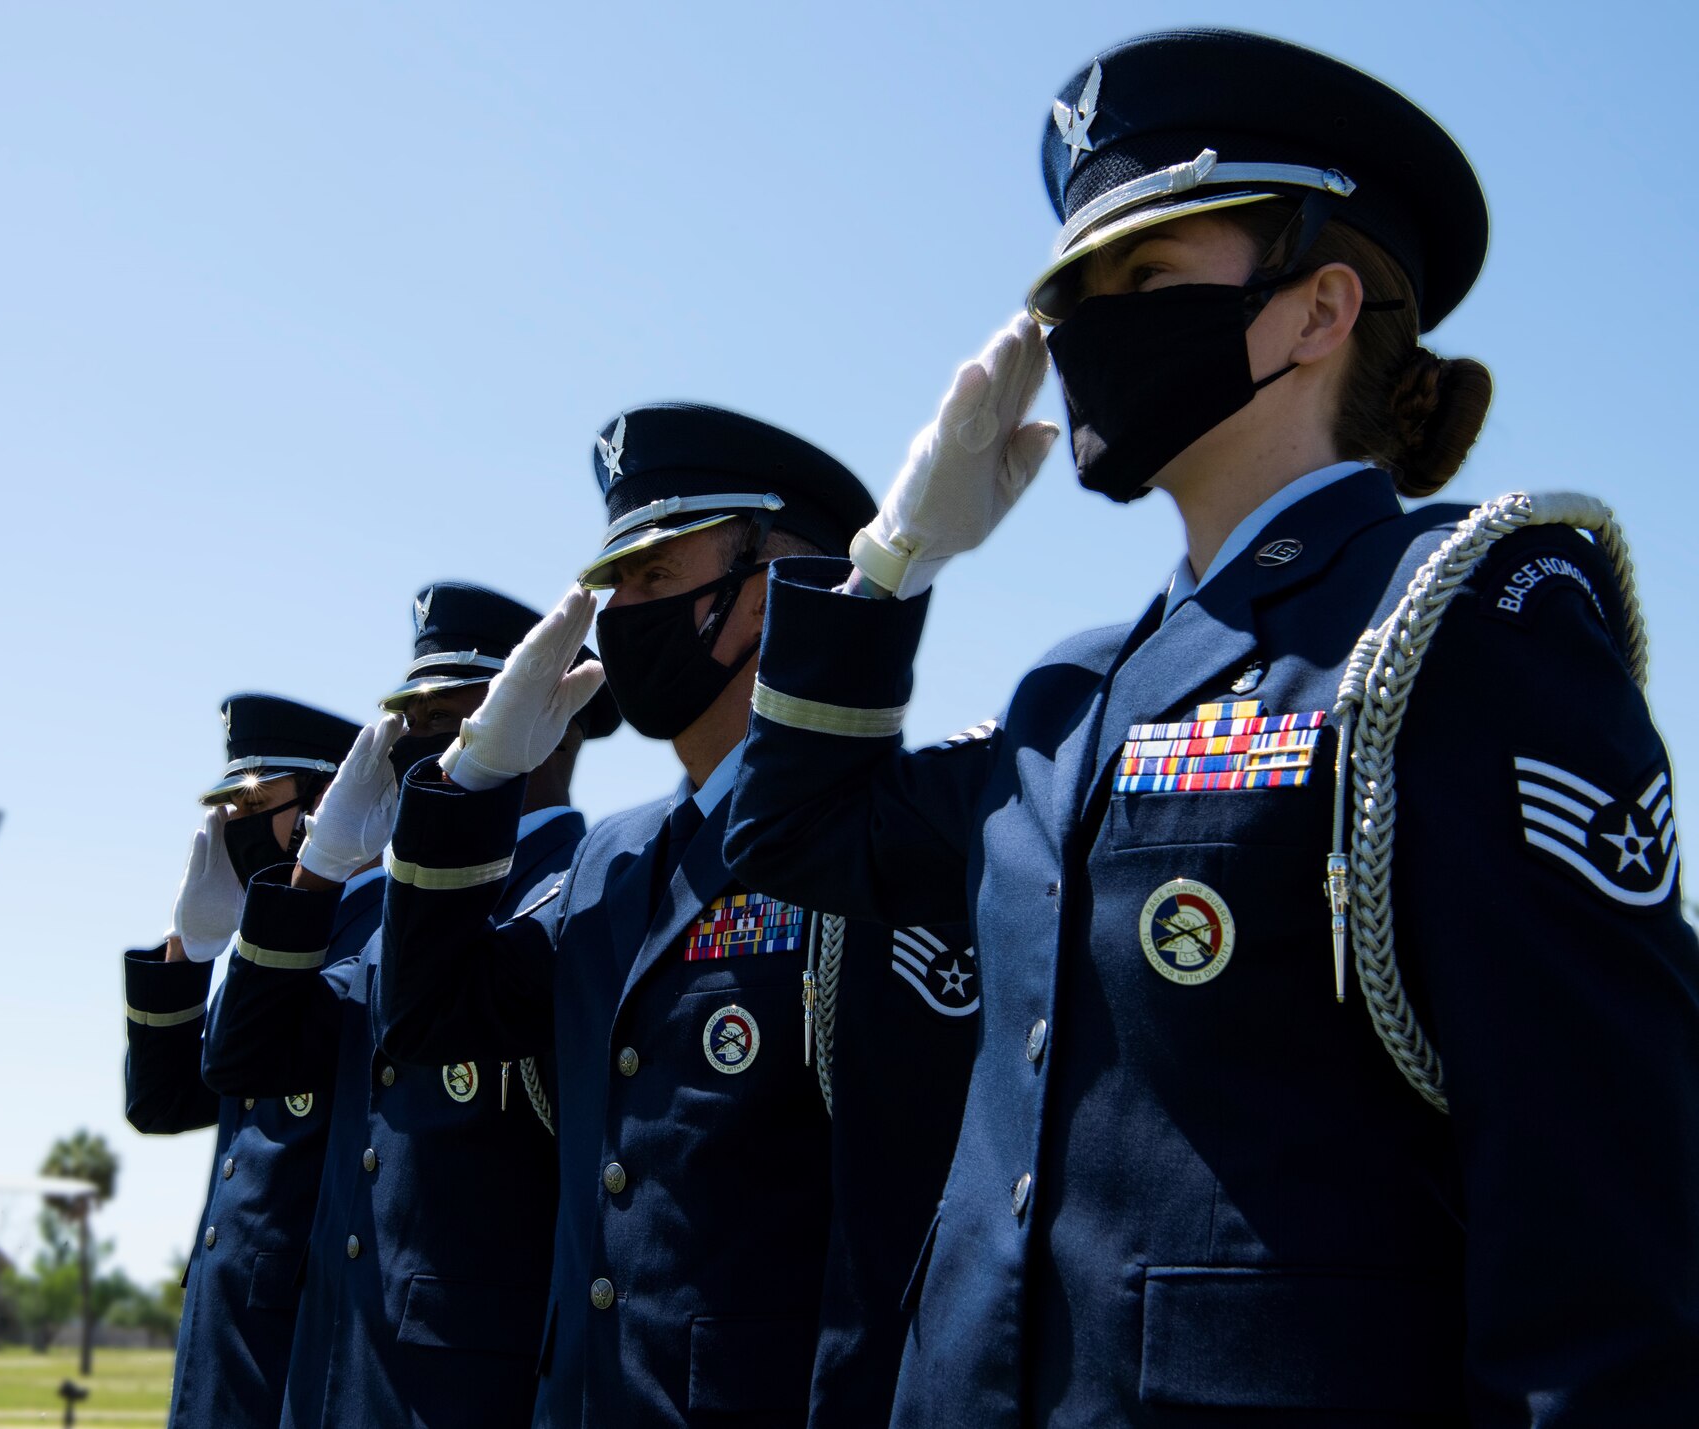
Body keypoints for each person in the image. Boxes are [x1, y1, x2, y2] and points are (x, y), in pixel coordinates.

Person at [723, 27, 1699, 1425]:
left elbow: (1600, 1247)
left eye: (1144, 278)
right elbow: (793, 830)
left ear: (1317, 311)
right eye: (1076, 292)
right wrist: (890, 564)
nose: (1081, 333)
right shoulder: (1071, 693)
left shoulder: (1462, 627)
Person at [373, 404, 980, 1428]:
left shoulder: (886, 843)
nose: (620, 612)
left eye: (655, 576)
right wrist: (473, 775)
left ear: (770, 591)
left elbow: (902, 1230)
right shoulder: (610, 860)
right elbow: (429, 1014)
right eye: (613, 583)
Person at [201, 582, 621, 1429]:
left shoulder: (581, 896)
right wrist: (314, 869)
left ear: (554, 711)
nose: (430, 745)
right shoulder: (393, 926)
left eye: (459, 715)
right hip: (336, 1378)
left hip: (470, 1396)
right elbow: (244, 1055)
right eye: (417, 723)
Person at [122, 693, 369, 1429]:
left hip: (300, 1347)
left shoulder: (371, 932)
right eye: (228, 807)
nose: (235, 827)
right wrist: (187, 949)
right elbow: (161, 1101)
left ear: (327, 800)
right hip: (223, 1348)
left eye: (256, 802)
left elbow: (246, 1061)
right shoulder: (268, 954)